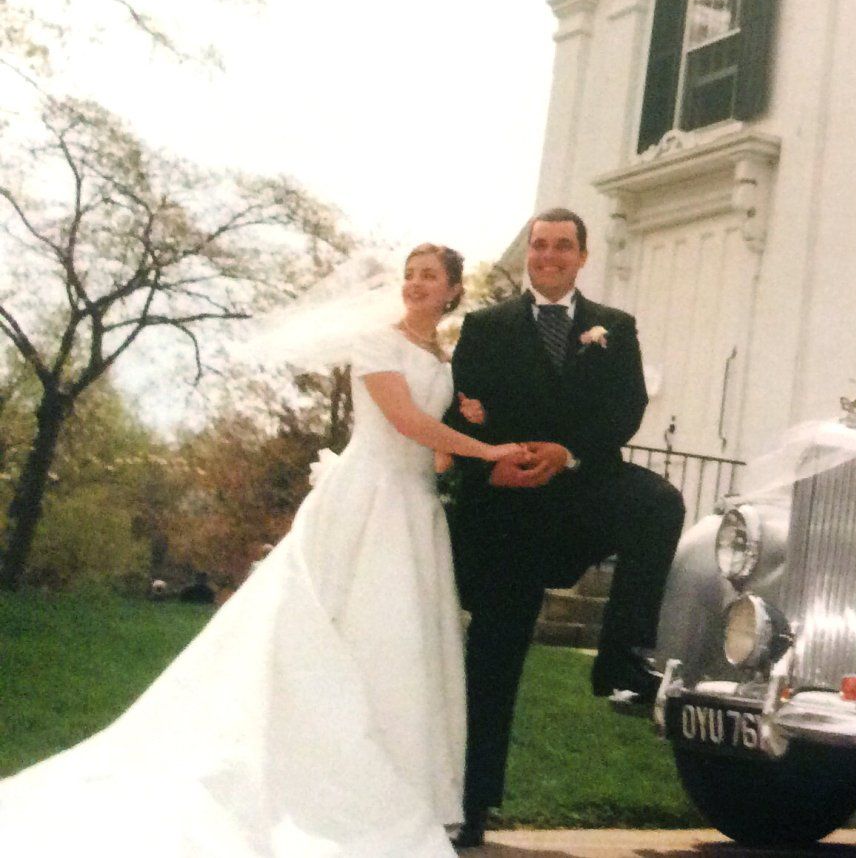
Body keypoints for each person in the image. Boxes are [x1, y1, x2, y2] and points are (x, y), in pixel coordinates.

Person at [0, 244, 530, 857]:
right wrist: (486, 449)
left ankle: (401, 784)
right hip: (366, 500)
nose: (414, 285)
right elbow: (404, 422)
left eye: (428, 277)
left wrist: (471, 421)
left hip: (415, 508)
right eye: (409, 275)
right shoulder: (376, 344)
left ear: (453, 292)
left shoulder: (445, 358)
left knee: (402, 642)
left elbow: (433, 452)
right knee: (339, 632)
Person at [443, 206, 685, 850]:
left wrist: (567, 450)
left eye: (562, 246)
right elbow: (458, 410)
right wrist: (490, 465)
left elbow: (625, 410)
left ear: (583, 255)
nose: (548, 256)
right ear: (530, 255)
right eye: (539, 246)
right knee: (493, 657)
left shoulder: (615, 327)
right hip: (509, 509)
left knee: (659, 503)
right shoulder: (485, 326)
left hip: (581, 491)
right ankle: (471, 803)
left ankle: (621, 659)